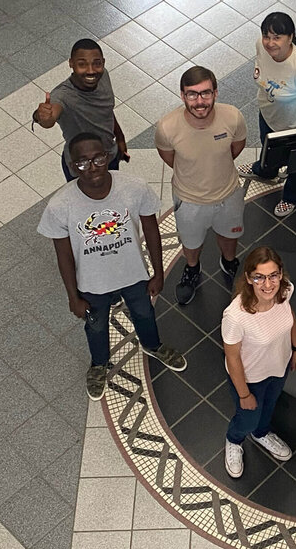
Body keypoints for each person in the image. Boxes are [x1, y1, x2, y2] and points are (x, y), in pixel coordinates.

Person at [37, 132, 186, 401]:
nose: (92, 167)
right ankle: (99, 364)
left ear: (108, 156)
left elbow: (152, 231)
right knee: (95, 326)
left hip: (133, 275)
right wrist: (73, 297)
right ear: (71, 166)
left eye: (97, 159)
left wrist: (158, 272)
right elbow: (63, 256)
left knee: (144, 313)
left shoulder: (134, 187)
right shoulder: (60, 206)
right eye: (82, 163)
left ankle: (153, 345)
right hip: (92, 284)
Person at [155, 66, 247, 305]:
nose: (199, 101)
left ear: (216, 93)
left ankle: (229, 263)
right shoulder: (167, 127)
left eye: (205, 93)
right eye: (192, 94)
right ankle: (192, 269)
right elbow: (169, 157)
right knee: (191, 242)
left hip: (229, 194)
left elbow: (235, 148)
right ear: (182, 95)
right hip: (189, 200)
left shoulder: (233, 117)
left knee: (229, 235)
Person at [221, 246, 296, 478]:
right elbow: (232, 357)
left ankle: (261, 433)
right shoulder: (235, 316)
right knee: (247, 418)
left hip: (279, 367)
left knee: (268, 407)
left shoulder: (285, 290)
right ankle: (234, 440)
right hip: (250, 378)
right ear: (248, 278)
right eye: (259, 277)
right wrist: (244, 393)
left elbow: (289, 316)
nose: (268, 284)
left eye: (273, 275)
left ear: (280, 274)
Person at [238, 12, 296, 217]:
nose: (270, 43)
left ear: (290, 37)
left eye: (277, 37)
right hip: (269, 115)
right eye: (266, 36)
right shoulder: (261, 47)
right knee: (268, 148)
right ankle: (265, 170)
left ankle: (292, 197)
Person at [32, 39, 129, 182]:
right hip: (82, 168)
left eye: (96, 63)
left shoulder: (103, 77)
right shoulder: (62, 96)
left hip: (108, 156)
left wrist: (119, 137)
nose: (90, 71)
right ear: (71, 63)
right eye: (82, 64)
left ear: (103, 62)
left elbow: (106, 111)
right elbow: (49, 119)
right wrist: (42, 117)